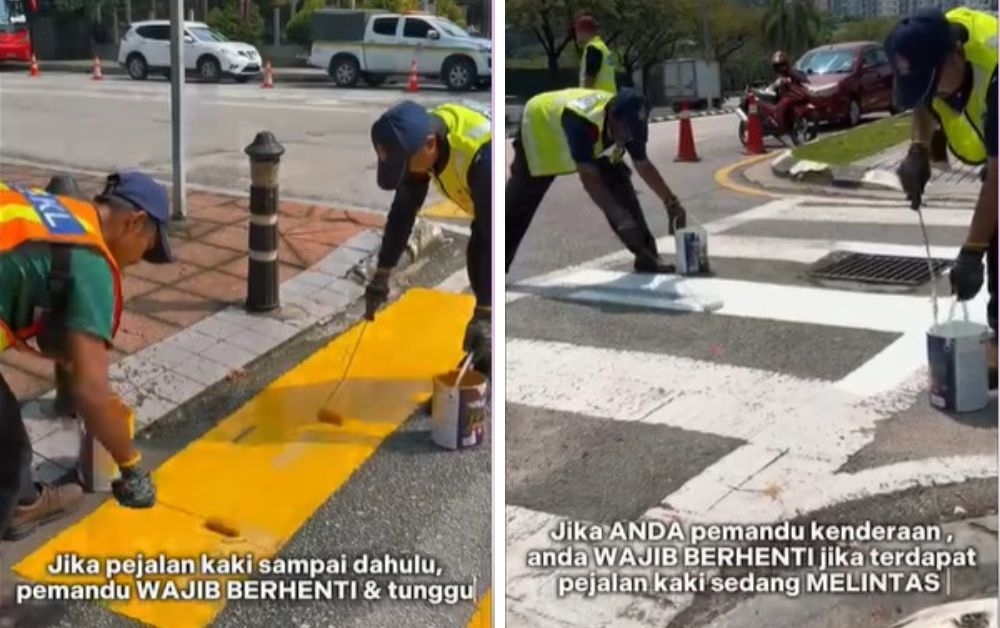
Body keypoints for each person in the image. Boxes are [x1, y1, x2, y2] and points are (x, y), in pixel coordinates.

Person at [0, 171, 166, 542]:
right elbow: (92, 394)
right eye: (146, 249)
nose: (137, 262)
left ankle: (22, 503)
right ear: (134, 223)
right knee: (8, 451)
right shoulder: (91, 263)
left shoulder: (60, 209)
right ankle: (19, 504)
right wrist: (131, 466)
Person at [885, 7, 998, 385]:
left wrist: (972, 251)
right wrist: (919, 149)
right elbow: (923, 104)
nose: (933, 94)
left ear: (957, 53)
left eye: (934, 83)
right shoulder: (930, 43)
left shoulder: (995, 69)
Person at [364, 100, 492, 376]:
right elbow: (403, 213)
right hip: (486, 211)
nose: (407, 174)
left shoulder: (481, 158)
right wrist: (382, 272)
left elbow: (491, 239)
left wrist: (485, 311)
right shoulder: (419, 140)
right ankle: (484, 359)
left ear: (431, 143)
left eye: (405, 166)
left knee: (485, 261)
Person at [507, 87, 687, 274]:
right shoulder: (581, 122)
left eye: (633, 130)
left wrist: (671, 202)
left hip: (594, 137)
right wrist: (619, 217)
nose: (628, 136)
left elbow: (643, 164)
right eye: (624, 129)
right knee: (519, 203)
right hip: (542, 128)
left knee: (620, 186)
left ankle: (646, 256)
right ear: (612, 117)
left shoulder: (633, 121)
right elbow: (589, 179)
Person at [768, 50, 810, 139]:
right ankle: (779, 126)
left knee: (785, 103)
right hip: (778, 97)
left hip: (792, 96)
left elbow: (803, 78)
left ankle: (784, 125)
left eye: (782, 65)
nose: (781, 68)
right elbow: (771, 87)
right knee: (781, 104)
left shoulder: (792, 72)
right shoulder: (776, 77)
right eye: (778, 66)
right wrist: (775, 85)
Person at [575, 14, 617, 93]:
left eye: (577, 31)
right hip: (609, 97)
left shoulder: (593, 48)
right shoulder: (605, 49)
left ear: (585, 31)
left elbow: (590, 77)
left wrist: (583, 97)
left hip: (597, 99)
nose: (577, 35)